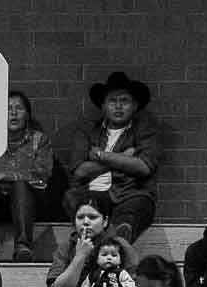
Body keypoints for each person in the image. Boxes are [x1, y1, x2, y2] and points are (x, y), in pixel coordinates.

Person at [62, 71, 164, 243]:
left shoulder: (146, 132)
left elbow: (143, 167)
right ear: (103, 106)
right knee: (71, 197)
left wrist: (100, 156)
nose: (118, 106)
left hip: (128, 194)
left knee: (140, 203)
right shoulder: (86, 133)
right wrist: (121, 158)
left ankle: (116, 240)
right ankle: (98, 241)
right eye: (112, 101)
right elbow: (79, 172)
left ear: (135, 106)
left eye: (124, 101)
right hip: (91, 194)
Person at [0, 89, 54, 259]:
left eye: (19, 109)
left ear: (27, 114)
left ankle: (23, 246)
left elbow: (42, 176)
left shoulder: (39, 140)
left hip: (28, 206)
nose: (13, 114)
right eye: (7, 109)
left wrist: (4, 175)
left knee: (21, 186)